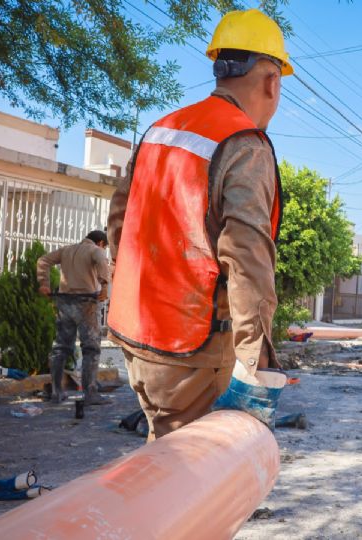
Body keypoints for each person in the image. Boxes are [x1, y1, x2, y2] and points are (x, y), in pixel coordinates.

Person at [107, 8, 291, 440]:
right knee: (191, 480)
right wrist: (256, 364)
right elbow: (247, 258)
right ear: (271, 81)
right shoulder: (244, 144)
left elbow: (120, 220)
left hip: (136, 338)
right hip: (192, 348)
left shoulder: (161, 129)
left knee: (164, 454)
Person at [37, 230, 112, 405]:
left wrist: (44, 283)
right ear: (100, 243)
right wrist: (104, 285)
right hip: (86, 304)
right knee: (91, 349)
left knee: (60, 349)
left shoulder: (67, 250)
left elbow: (43, 260)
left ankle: (56, 392)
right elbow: (102, 261)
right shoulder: (95, 250)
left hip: (64, 302)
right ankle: (90, 393)